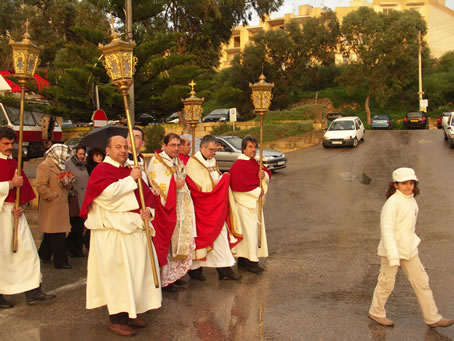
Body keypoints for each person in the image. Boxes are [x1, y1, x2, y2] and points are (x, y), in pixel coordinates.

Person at [80, 135, 161, 337]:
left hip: (134, 230)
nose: (124, 150)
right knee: (118, 276)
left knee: (135, 274)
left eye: (125, 147)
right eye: (119, 147)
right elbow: (108, 197)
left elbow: (146, 195)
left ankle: (131, 310)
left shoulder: (129, 170)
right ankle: (117, 318)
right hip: (114, 233)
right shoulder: (102, 170)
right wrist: (131, 179)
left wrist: (147, 211)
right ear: (108, 150)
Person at [368, 167, 454, 328]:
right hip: (391, 251)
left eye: (411, 183)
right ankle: (376, 312)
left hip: (409, 250)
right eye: (404, 183)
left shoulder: (411, 200)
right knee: (386, 283)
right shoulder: (392, 203)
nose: (408, 187)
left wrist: (412, 243)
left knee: (422, 282)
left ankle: (432, 317)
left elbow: (408, 228)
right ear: (395, 185)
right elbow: (387, 231)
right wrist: (393, 256)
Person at [0, 127, 56, 308]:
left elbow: (23, 191)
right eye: (5, 143)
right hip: (1, 215)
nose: (10, 146)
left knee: (28, 252)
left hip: (15, 214)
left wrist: (21, 206)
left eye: (11, 143)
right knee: (2, 257)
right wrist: (10, 184)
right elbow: (12, 185)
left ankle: (33, 291)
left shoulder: (14, 163)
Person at [185, 135, 242, 281]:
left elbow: (214, 177)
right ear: (202, 147)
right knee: (200, 239)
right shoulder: (193, 163)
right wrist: (222, 181)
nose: (213, 152)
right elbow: (200, 187)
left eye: (215, 150)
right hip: (202, 207)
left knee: (220, 235)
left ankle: (225, 269)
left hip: (214, 206)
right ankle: (195, 270)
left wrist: (222, 178)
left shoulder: (212, 160)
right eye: (211, 149)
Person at [147, 133, 196, 292]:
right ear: (165, 145)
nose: (176, 148)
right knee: (167, 243)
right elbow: (157, 183)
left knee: (178, 240)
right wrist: (174, 184)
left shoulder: (177, 160)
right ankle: (165, 279)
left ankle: (174, 276)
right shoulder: (157, 161)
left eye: (178, 145)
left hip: (180, 205)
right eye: (173, 145)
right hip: (166, 208)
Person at [230, 136, 271, 273]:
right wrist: (256, 192)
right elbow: (236, 185)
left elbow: (266, 173)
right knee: (250, 233)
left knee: (251, 233)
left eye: (254, 147)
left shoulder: (254, 162)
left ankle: (244, 260)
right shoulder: (238, 165)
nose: (253, 150)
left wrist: (263, 175)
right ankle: (252, 261)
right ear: (243, 149)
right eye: (250, 147)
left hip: (253, 204)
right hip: (244, 205)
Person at [36, 144, 72, 269]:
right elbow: (40, 185)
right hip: (52, 206)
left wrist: (68, 183)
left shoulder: (60, 165)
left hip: (60, 205)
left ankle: (43, 254)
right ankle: (61, 261)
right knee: (58, 234)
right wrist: (53, 195)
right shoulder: (45, 165)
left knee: (51, 232)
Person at [65, 144, 89, 257]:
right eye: (80, 154)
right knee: (76, 226)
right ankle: (71, 247)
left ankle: (76, 248)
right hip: (74, 199)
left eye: (83, 154)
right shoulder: (68, 164)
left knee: (79, 226)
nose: (82, 156)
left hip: (83, 198)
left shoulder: (83, 165)